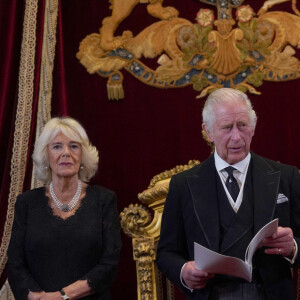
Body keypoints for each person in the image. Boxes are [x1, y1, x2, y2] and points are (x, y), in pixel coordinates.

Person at [157, 88, 300, 299]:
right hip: (210, 293)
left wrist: (293, 246)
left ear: (253, 127)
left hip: (269, 293)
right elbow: (166, 253)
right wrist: (183, 271)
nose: (236, 137)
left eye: (242, 125)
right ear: (208, 132)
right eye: (227, 127)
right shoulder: (183, 185)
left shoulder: (286, 177)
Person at [7, 117, 122, 300]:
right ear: (46, 155)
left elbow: (109, 264)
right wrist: (39, 298)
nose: (66, 153)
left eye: (74, 146)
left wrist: (62, 296)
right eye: (57, 146)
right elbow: (15, 264)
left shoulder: (104, 200)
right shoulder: (26, 203)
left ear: (83, 154)